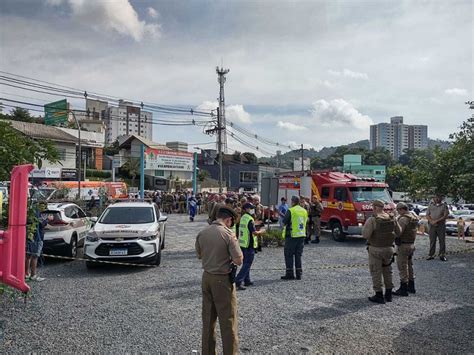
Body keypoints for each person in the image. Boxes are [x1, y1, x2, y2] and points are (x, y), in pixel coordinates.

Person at [195, 207, 243, 355]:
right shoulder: (228, 234)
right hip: (222, 280)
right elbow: (239, 260)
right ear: (228, 220)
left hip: (207, 277)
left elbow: (199, 255)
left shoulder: (202, 233)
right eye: (231, 223)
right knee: (228, 321)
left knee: (208, 319)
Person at [362, 199, 400, 304]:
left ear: (374, 207)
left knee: (376, 272)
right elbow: (399, 232)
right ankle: (388, 293)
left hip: (375, 249)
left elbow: (365, 235)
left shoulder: (373, 220)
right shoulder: (392, 218)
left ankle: (378, 295)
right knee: (388, 271)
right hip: (389, 249)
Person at [235, 203, 265, 290]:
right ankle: (238, 281)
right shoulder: (249, 219)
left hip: (243, 244)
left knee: (246, 263)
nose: (252, 210)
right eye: (251, 208)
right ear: (247, 209)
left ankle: (247, 280)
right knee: (247, 264)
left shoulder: (243, 218)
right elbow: (254, 232)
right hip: (249, 244)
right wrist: (262, 231)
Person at [393, 202, 419, 296]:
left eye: (398, 210)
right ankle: (411, 286)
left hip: (403, 245)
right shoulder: (413, 217)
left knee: (402, 266)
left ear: (402, 209)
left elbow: (398, 233)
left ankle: (403, 288)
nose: (398, 212)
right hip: (411, 244)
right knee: (410, 265)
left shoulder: (403, 219)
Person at [281, 196, 308, 280]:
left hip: (292, 236)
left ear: (293, 202)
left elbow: (284, 221)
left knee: (289, 255)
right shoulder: (304, 211)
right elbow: (305, 221)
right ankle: (299, 274)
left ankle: (290, 274)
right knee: (298, 255)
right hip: (301, 235)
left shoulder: (291, 210)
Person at [25, 201, 53, 282]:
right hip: (37, 237)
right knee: (35, 256)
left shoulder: (32, 211)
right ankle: (33, 275)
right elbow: (41, 224)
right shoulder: (38, 213)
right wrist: (48, 219)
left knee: (28, 255)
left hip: (31, 236)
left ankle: (26, 274)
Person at [426, 194, 449, 261]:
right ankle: (431, 255)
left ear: (441, 198)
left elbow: (445, 215)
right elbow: (427, 215)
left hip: (441, 225)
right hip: (432, 225)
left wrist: (436, 221)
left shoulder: (444, 205)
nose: (437, 199)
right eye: (435, 197)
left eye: (438, 197)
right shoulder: (431, 204)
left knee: (442, 240)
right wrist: (432, 221)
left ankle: (442, 255)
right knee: (432, 240)